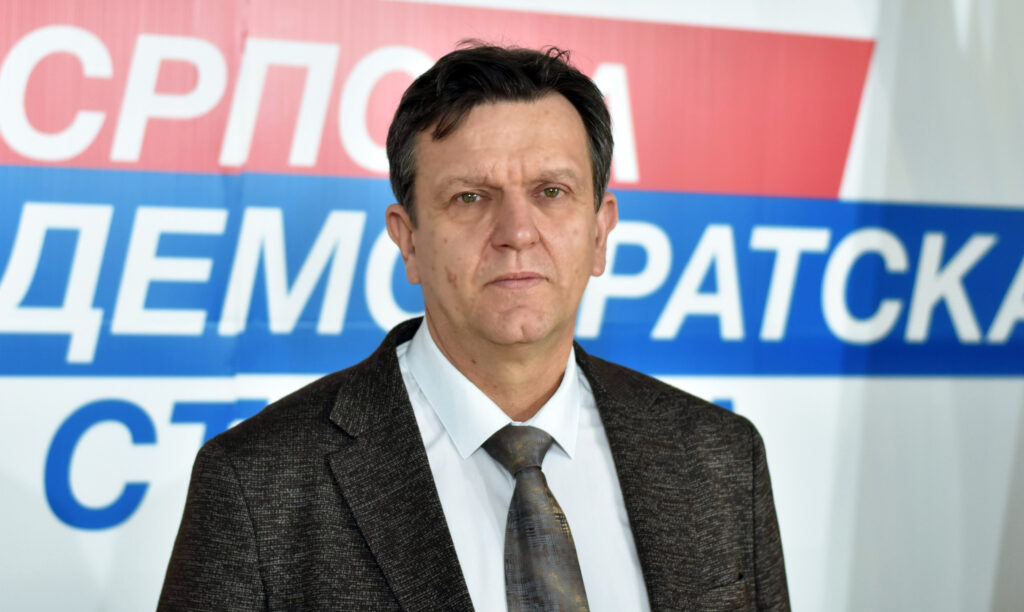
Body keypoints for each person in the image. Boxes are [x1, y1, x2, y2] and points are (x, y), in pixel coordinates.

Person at [158, 43, 789, 611]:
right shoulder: (257, 486)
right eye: (470, 197)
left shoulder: (720, 458)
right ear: (408, 240)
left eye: (551, 191)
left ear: (600, 232)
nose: (517, 232)